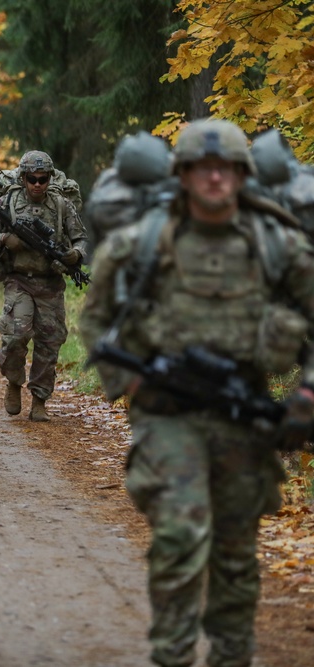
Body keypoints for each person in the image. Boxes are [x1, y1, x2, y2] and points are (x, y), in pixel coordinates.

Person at [80, 118, 314, 667]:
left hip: (245, 421)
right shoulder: (143, 242)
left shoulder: (275, 243)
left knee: (235, 555)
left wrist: (307, 396)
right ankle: (173, 655)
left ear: (241, 174)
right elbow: (96, 320)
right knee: (181, 538)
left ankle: (231, 656)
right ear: (183, 174)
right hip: (167, 417)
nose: (214, 177)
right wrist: (129, 381)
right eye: (202, 168)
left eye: (225, 167)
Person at [0, 150, 88, 421]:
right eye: (32, 179)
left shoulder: (62, 205)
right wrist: (5, 240)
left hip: (50, 283)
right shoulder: (8, 202)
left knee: (49, 342)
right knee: (16, 336)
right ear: (24, 178)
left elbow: (81, 238)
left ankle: (39, 398)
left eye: (43, 179)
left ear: (50, 178)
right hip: (19, 280)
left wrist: (75, 255)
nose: (37, 184)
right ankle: (14, 382)